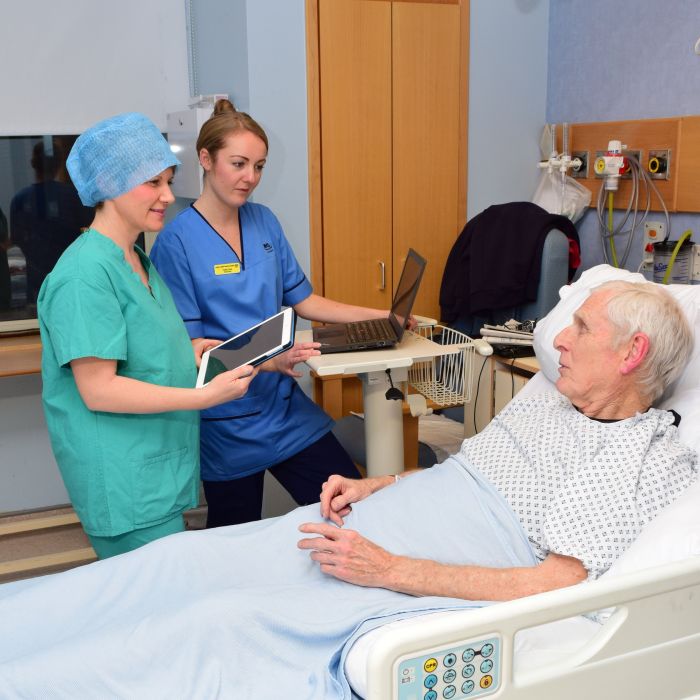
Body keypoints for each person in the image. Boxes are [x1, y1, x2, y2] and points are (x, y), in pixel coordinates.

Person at [1, 280, 695, 699]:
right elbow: (473, 470)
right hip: (376, 525)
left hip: (401, 567)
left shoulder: (638, 454)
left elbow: (557, 584)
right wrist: (380, 484)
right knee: (174, 563)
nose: (559, 342)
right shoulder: (552, 396)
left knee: (218, 621)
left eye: (580, 329)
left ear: (631, 354)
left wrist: (392, 572)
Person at [38, 112, 288, 559]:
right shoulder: (83, 275)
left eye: (168, 181)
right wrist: (204, 397)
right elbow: (98, 390)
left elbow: (142, 350)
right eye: (153, 183)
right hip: (125, 482)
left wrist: (188, 351)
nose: (168, 196)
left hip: (156, 470)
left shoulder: (136, 259)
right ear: (109, 183)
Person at [150, 98, 399, 528]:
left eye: (259, 166)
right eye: (239, 163)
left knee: (354, 512)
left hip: (285, 410)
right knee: (235, 539)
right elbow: (197, 352)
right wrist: (270, 361)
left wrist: (380, 316)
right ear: (206, 159)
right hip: (228, 418)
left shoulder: (264, 222)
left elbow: (305, 302)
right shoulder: (176, 243)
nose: (250, 178)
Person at [10, 137, 93, 304]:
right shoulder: (73, 198)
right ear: (59, 164)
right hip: (71, 276)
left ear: (33, 163)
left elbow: (16, 240)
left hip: (36, 281)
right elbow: (91, 234)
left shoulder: (20, 199)